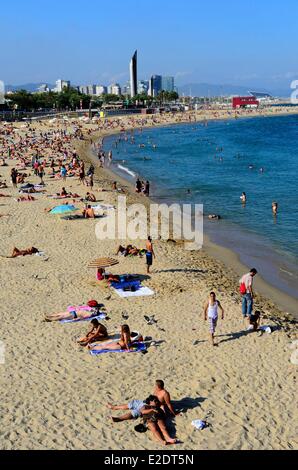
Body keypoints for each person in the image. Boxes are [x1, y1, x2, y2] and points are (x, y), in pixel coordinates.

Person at [108, 396, 177, 445]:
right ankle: (162, 441)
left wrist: (162, 413)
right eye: (154, 401)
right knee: (154, 428)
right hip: (149, 419)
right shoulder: (145, 406)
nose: (156, 402)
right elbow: (142, 412)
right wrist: (152, 410)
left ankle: (168, 438)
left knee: (163, 427)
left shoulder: (158, 407)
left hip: (158, 417)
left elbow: (164, 413)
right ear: (150, 402)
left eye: (156, 401)